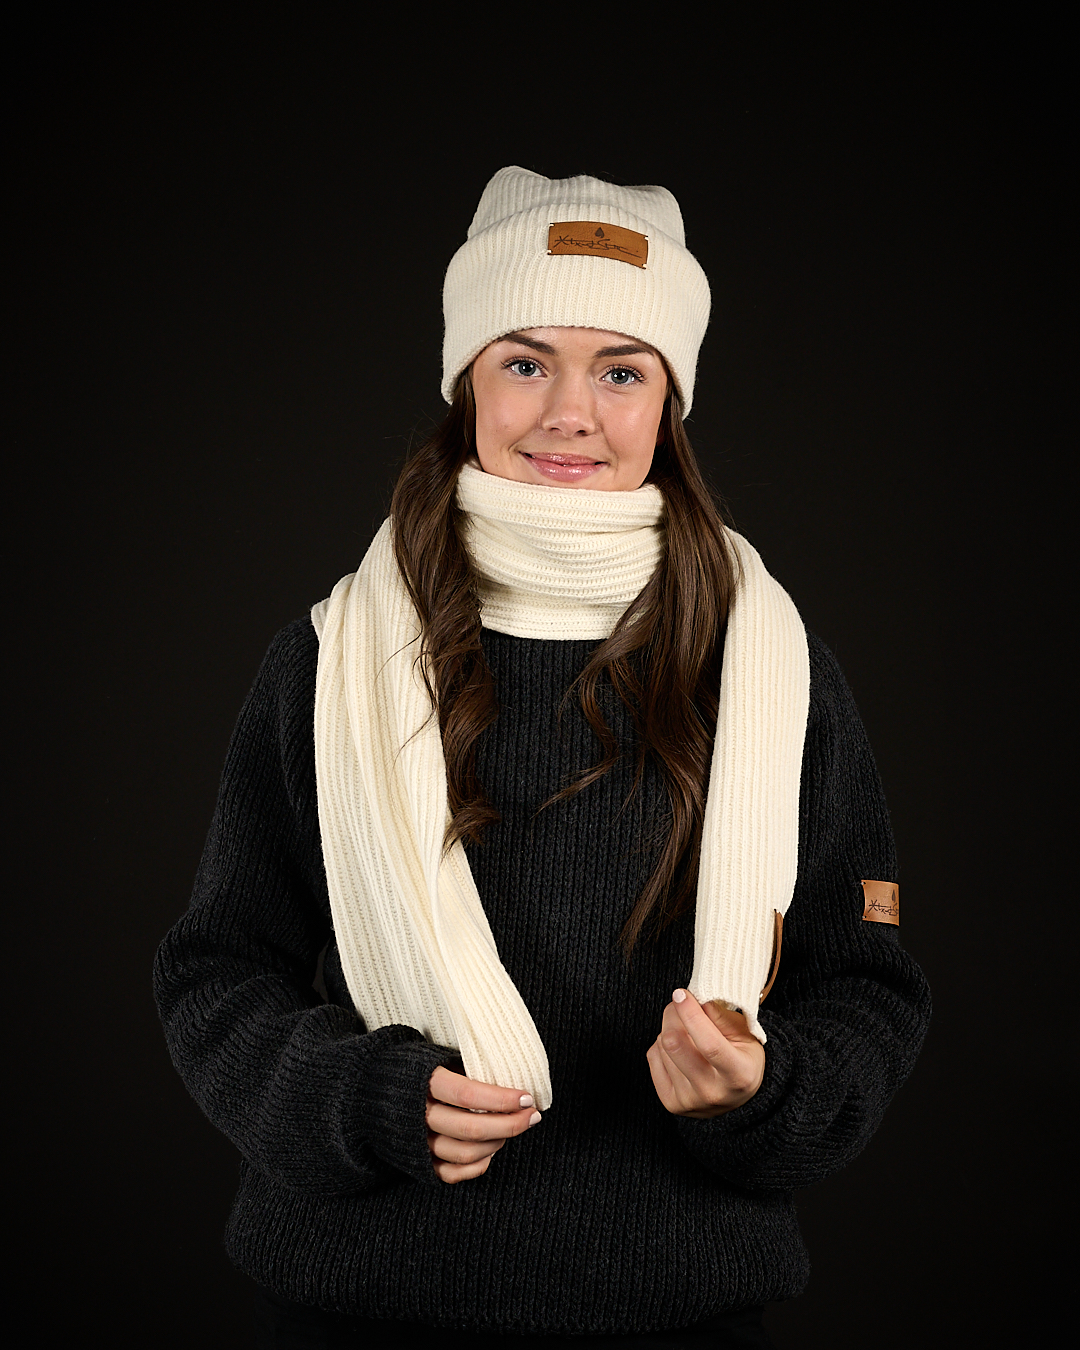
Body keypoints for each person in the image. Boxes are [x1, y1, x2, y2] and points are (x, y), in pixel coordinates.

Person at [154, 167, 931, 1348]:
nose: (571, 413)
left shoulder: (771, 665)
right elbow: (218, 973)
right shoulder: (330, 657)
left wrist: (762, 1092)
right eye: (526, 363)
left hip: (678, 1306)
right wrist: (364, 1100)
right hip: (360, 1300)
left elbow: (864, 988)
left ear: (669, 403)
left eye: (621, 371)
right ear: (466, 379)